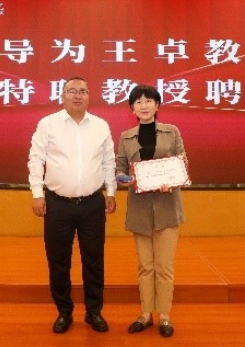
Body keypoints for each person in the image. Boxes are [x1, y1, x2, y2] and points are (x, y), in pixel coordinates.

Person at [28, 76, 118, 334]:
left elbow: (109, 162)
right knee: (58, 262)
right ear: (63, 95)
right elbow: (36, 159)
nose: (77, 95)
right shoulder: (48, 124)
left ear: (89, 96)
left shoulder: (100, 126)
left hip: (92, 204)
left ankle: (94, 311)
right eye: (72, 91)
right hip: (57, 205)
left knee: (94, 261)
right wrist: (37, 193)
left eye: (83, 91)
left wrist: (111, 191)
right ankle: (64, 312)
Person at [115, 84, 186, 338]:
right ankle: (145, 314)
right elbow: (119, 169)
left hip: (167, 208)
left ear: (157, 105)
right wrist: (124, 179)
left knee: (164, 266)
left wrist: (173, 181)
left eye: (148, 101)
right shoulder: (125, 137)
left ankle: (164, 315)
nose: (143, 105)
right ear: (132, 108)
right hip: (140, 209)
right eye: (138, 102)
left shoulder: (172, 132)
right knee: (145, 266)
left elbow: (182, 163)